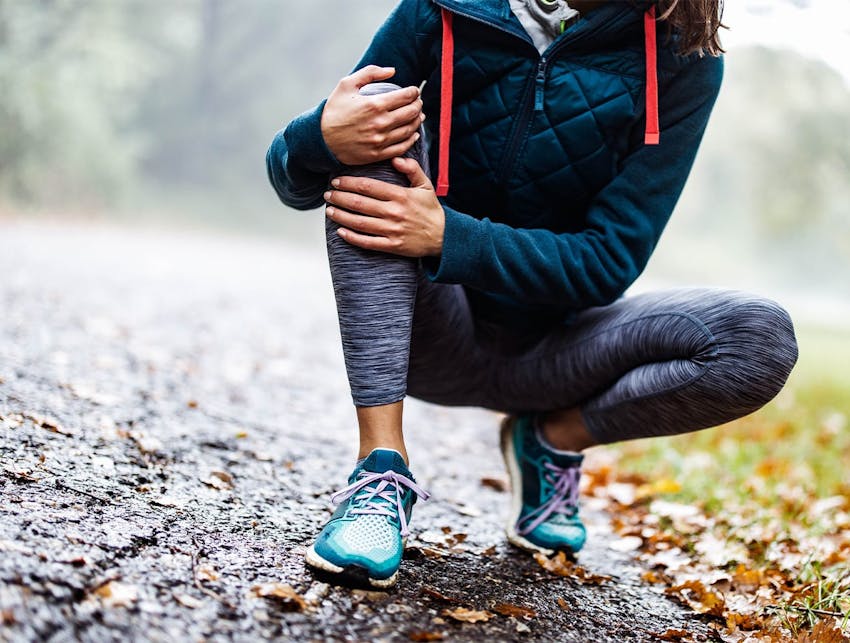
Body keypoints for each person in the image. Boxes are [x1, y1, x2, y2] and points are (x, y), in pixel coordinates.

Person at [266, 0, 798, 589]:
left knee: (757, 338)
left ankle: (549, 441)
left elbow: (608, 262)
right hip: (430, 334)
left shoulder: (681, 55)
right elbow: (296, 180)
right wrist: (319, 136)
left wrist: (449, 235)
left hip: (557, 355)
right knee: (374, 143)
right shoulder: (442, 9)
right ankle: (380, 472)